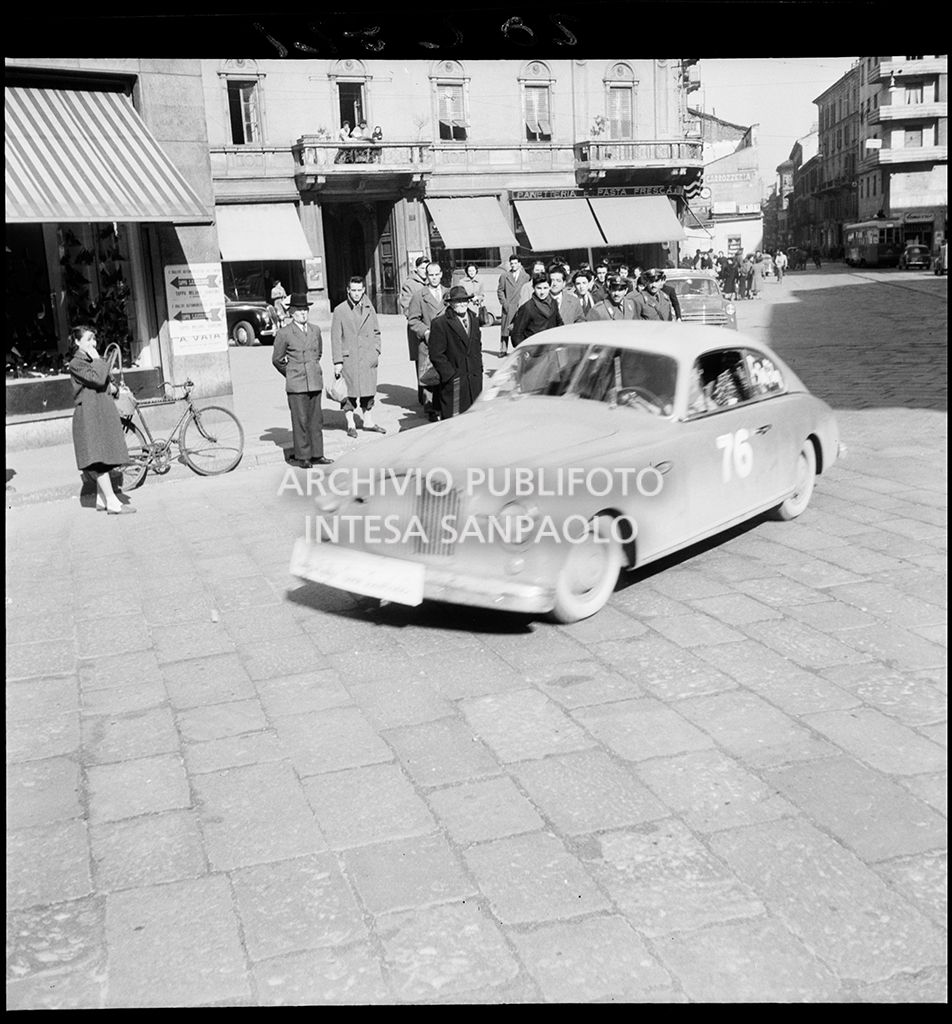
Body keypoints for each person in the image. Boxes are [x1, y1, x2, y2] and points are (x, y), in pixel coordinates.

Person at [66, 325, 135, 515]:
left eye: (94, 339)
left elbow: (103, 382)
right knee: (100, 459)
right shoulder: (76, 363)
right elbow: (96, 380)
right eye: (88, 339)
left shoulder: (91, 360)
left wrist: (114, 388)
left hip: (100, 413)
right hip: (89, 416)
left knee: (103, 455)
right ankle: (113, 502)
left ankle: (101, 499)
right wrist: (98, 360)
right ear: (78, 342)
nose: (93, 343)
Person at [272, 293, 333, 468]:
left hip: (314, 380)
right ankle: (303, 456)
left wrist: (311, 367)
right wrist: (291, 372)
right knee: (301, 421)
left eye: (305, 310)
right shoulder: (284, 333)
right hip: (296, 383)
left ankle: (317, 454)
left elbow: (318, 353)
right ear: (291, 312)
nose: (303, 313)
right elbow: (277, 359)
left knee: (316, 420)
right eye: (299, 310)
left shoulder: (315, 330)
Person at [331, 276, 385, 438]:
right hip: (349, 359)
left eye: (359, 290)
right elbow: (335, 337)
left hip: (368, 357)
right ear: (348, 290)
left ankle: (368, 421)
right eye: (352, 290)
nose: (356, 294)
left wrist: (376, 350)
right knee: (349, 393)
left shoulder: (370, 308)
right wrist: (338, 361)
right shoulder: (340, 310)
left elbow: (377, 332)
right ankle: (351, 423)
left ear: (363, 290)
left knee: (368, 392)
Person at [426, 285, 484, 418]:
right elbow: (436, 354)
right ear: (451, 303)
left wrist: (479, 369)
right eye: (458, 301)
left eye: (464, 300)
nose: (462, 304)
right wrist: (450, 375)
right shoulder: (440, 323)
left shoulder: (474, 319)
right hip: (454, 381)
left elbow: (477, 346)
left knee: (475, 418)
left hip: (474, 380)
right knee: (455, 420)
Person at [407, 261, 449, 420]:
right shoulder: (419, 295)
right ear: (426, 275)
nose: (434, 278)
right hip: (428, 343)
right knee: (429, 378)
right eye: (430, 275)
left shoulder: (448, 293)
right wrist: (425, 331)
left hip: (446, 342)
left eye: (437, 274)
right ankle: (431, 410)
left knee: (445, 376)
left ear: (441, 274)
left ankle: (443, 406)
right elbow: (413, 320)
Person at [400, 255, 430, 408]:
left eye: (427, 267)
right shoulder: (409, 284)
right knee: (421, 362)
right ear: (416, 269)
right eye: (422, 268)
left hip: (433, 327)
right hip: (417, 329)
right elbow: (406, 307)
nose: (425, 271)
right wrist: (419, 323)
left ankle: (430, 395)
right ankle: (424, 396)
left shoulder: (432, 281)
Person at [510, 273, 563, 344]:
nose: (542, 292)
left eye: (545, 288)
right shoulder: (527, 307)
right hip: (533, 348)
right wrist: (525, 351)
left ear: (550, 287)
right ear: (533, 287)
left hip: (550, 347)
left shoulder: (553, 303)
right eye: (539, 288)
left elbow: (559, 323)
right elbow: (517, 334)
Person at [496, 254, 530, 359]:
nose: (513, 265)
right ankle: (503, 349)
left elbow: (528, 290)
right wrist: (504, 303)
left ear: (520, 264)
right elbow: (500, 290)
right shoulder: (504, 276)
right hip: (508, 305)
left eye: (516, 263)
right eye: (512, 263)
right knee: (505, 329)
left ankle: (521, 349)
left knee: (521, 328)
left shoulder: (526, 277)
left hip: (520, 305)